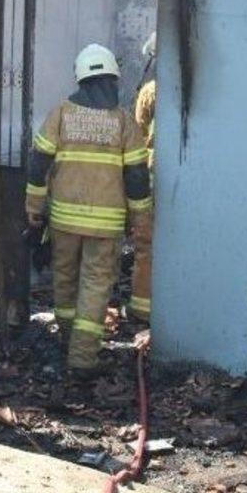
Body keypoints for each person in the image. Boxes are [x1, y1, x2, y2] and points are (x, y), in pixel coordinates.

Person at [26, 43, 152, 378]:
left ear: (80, 78)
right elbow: (138, 177)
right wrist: (140, 219)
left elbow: (38, 165)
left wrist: (34, 209)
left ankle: (69, 341)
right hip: (106, 225)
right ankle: (82, 359)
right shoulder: (124, 122)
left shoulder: (61, 115)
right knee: (96, 286)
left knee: (65, 282)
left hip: (64, 221)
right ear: (113, 78)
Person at [130, 31, 157, 322]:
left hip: (152, 175)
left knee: (146, 245)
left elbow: (137, 133)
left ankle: (142, 308)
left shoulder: (149, 92)